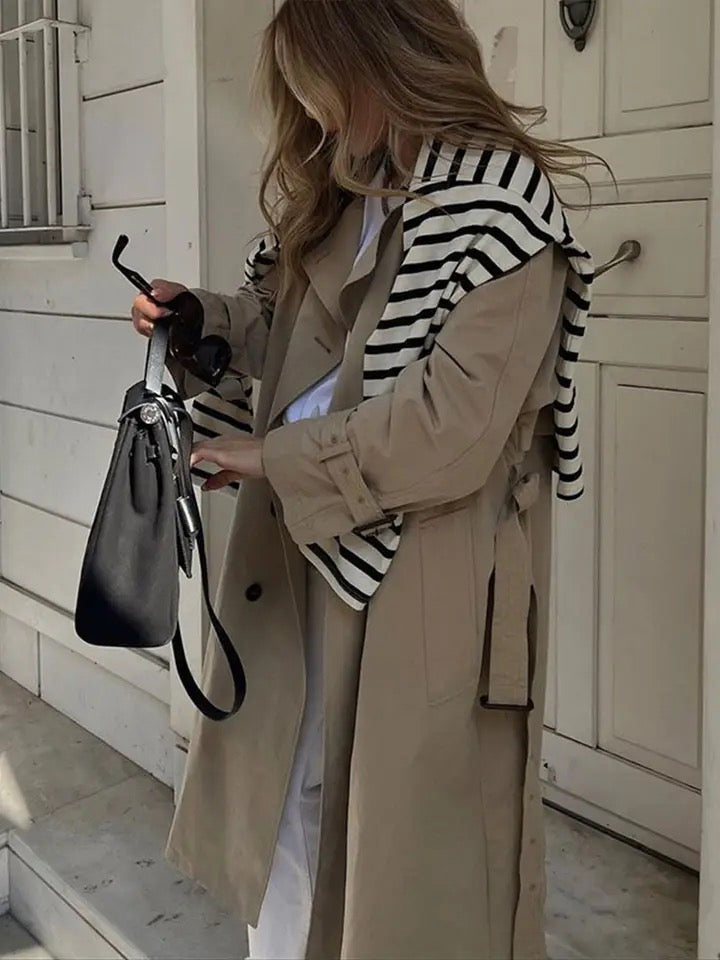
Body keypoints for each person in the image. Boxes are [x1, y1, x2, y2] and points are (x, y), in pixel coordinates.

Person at [131, 2, 596, 957]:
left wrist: (273, 458)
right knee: (284, 804)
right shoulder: (348, 191)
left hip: (425, 576)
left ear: (384, 56)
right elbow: (281, 329)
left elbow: (451, 431)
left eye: (320, 81)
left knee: (405, 866)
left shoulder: (504, 209)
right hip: (303, 545)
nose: (310, 108)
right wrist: (201, 319)